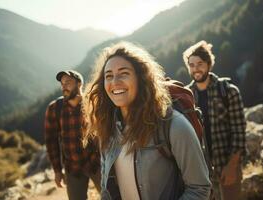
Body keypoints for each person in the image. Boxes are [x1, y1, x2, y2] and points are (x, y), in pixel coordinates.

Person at [85, 41, 211, 200]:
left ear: (141, 78)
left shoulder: (174, 126)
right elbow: (106, 191)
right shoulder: (108, 130)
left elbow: (199, 188)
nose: (115, 81)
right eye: (108, 76)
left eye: (123, 73)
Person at [183, 41, 246, 200]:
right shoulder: (186, 98)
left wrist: (232, 166)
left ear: (209, 64)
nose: (195, 68)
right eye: (191, 65)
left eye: (200, 64)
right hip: (201, 173)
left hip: (227, 165)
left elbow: (239, 131)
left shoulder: (228, 91)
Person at [44, 70, 100, 200]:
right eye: (62, 84)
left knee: (112, 196)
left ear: (79, 84)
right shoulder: (54, 108)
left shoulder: (93, 103)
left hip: (97, 163)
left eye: (68, 82)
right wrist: (57, 171)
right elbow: (51, 141)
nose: (64, 86)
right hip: (72, 168)